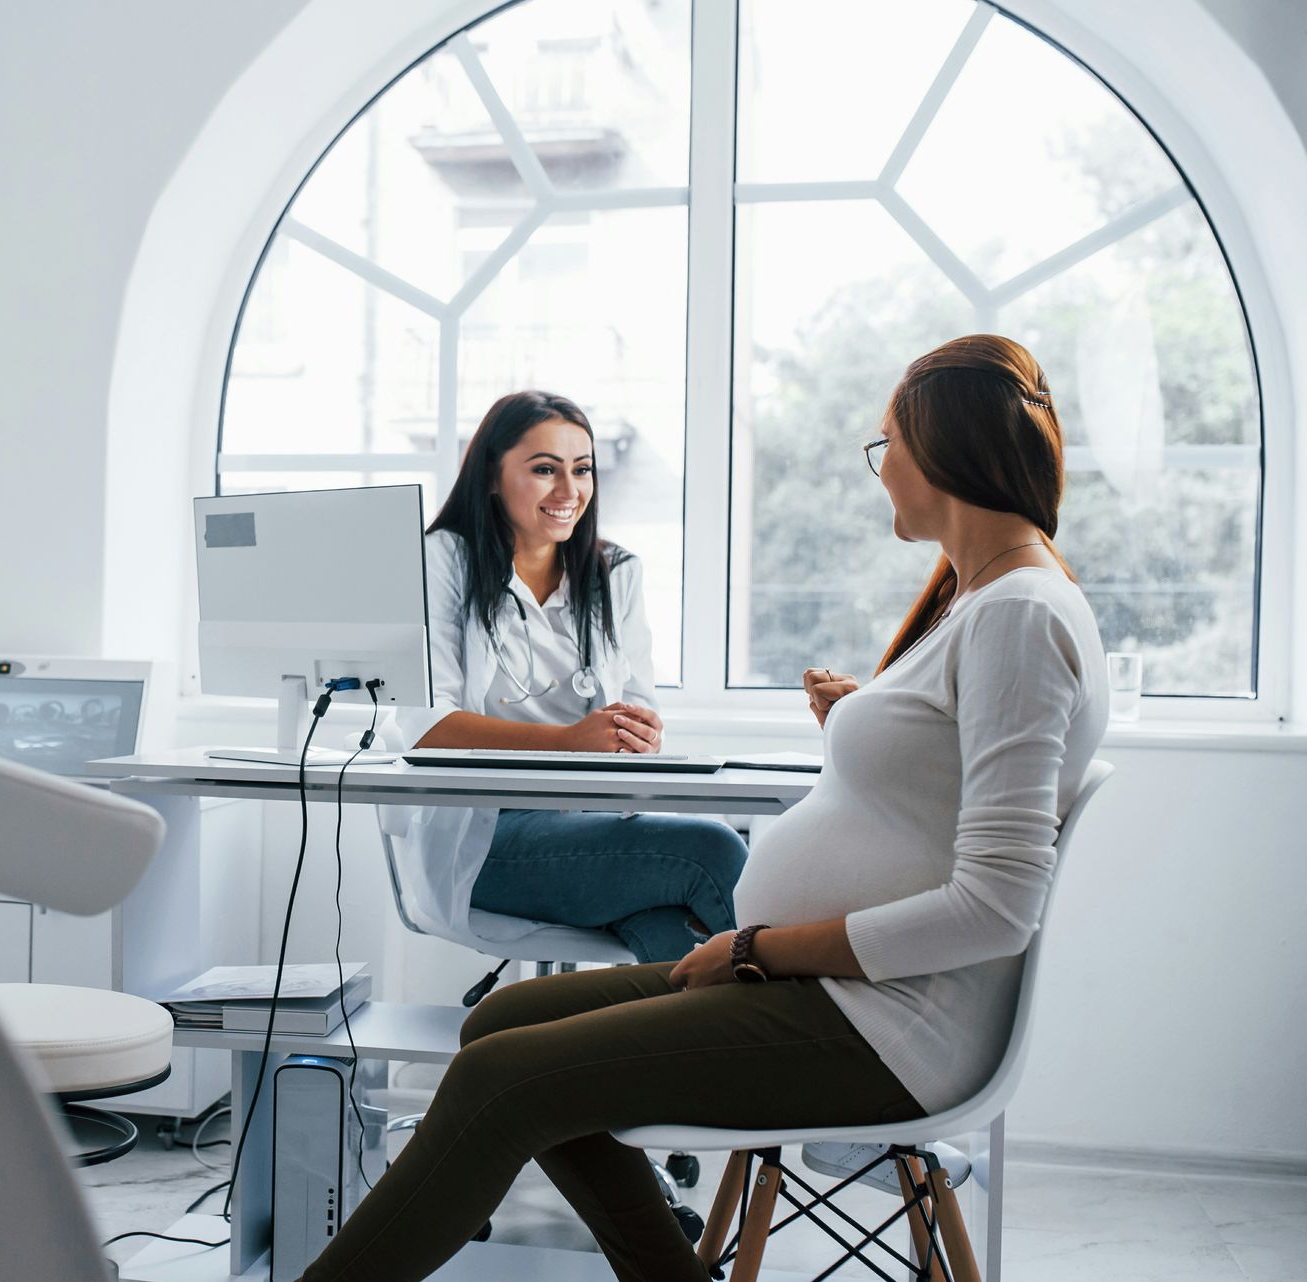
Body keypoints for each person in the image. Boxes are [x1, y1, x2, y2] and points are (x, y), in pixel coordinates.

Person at [299, 336, 1108, 1282]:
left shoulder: (1017, 612)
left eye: (885, 445)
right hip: (844, 1000)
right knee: (496, 1029)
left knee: (500, 1074)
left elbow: (999, 905)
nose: (879, 467)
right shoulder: (989, 603)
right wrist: (869, 722)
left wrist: (759, 948)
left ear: (945, 452)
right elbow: (945, 774)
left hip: (886, 1028)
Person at [382, 389, 748, 966]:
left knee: (673, 933)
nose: (569, 490)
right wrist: (567, 743)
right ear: (491, 478)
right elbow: (427, 728)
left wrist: (639, 734)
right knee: (710, 851)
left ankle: (658, 1055)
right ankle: (803, 1032)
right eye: (544, 470)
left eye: (582, 470)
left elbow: (636, 709)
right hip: (481, 838)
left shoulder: (616, 573)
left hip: (589, 824)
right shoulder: (441, 560)